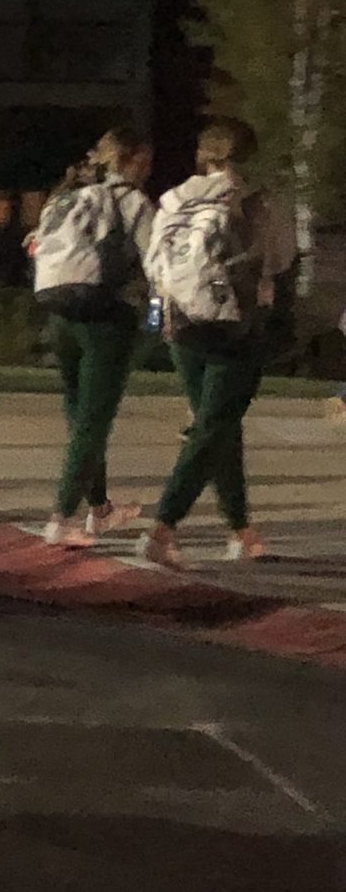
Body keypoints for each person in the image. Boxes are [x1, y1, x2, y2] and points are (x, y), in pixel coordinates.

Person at [139, 116, 279, 567]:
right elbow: (278, 259)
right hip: (233, 326)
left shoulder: (175, 198)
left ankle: (241, 530)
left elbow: (153, 258)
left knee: (218, 426)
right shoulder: (252, 201)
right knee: (211, 428)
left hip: (181, 323)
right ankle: (162, 528)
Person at [27, 126, 155, 547]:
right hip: (105, 314)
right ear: (131, 160)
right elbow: (156, 262)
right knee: (94, 421)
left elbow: (36, 245)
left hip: (61, 312)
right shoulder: (130, 201)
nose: (147, 169)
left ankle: (98, 509)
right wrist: (157, 316)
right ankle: (62, 517)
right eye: (144, 161)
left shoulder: (68, 195)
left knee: (78, 412)